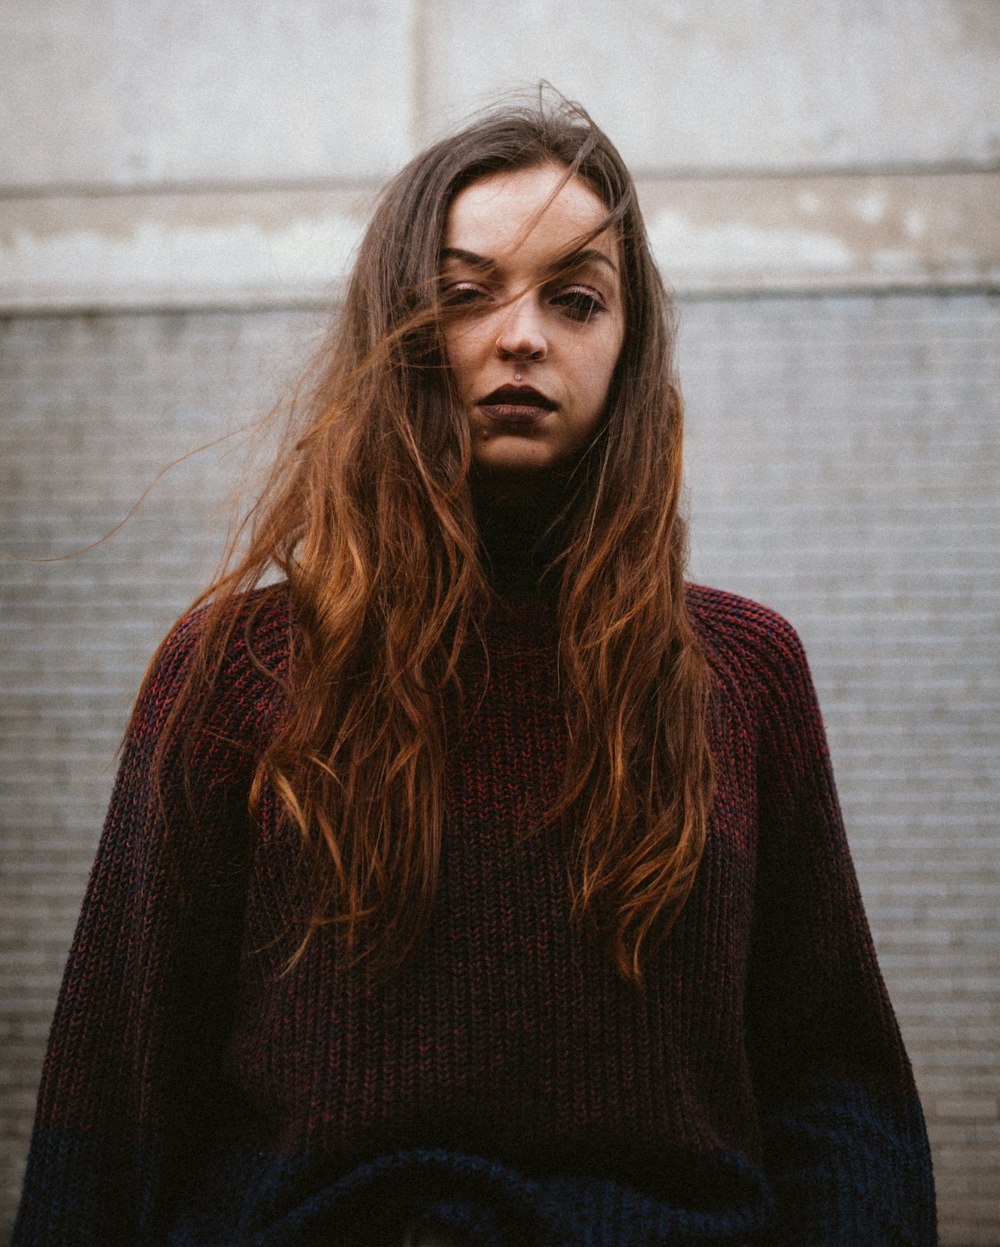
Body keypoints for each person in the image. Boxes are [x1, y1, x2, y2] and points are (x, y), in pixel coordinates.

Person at [13, 96, 936, 1247]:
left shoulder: (742, 674)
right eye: (465, 292)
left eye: (575, 297)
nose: (522, 336)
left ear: (629, 344)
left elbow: (839, 1090)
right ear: (397, 327)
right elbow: (112, 1101)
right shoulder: (233, 671)